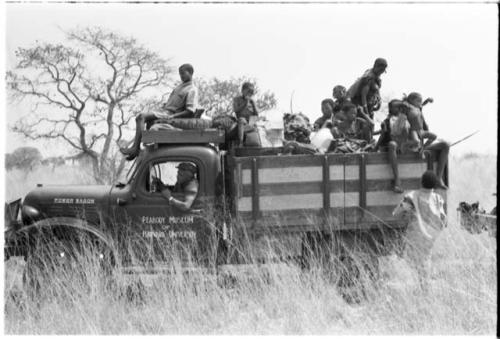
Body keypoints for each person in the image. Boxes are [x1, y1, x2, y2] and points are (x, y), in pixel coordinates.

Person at [120, 63, 199, 160]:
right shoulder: (179, 87)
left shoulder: (192, 90)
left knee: (141, 117)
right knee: (144, 120)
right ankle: (137, 150)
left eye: (183, 73)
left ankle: (135, 148)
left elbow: (190, 111)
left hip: (170, 114)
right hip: (164, 111)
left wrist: (173, 117)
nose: (181, 76)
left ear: (190, 73)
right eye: (180, 74)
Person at [392, 170, 447, 292]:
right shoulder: (438, 198)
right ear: (434, 184)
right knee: (425, 259)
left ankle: (421, 288)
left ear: (421, 182)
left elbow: (396, 213)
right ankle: (424, 287)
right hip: (432, 235)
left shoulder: (412, 196)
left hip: (415, 234)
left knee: (412, 262)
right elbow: (443, 218)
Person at [404, 92, 450, 189]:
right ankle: (421, 148)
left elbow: (420, 107)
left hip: (421, 143)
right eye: (418, 101)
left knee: (445, 145)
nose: (420, 104)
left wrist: (426, 102)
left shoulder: (417, 109)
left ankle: (438, 178)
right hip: (412, 145)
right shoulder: (406, 110)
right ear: (411, 101)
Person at [348, 58, 387, 127]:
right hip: (361, 108)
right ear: (376, 66)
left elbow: (376, 91)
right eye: (381, 69)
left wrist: (379, 101)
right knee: (366, 126)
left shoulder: (376, 78)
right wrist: (366, 112)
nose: (381, 72)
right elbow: (363, 96)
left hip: (370, 107)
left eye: (383, 70)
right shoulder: (368, 78)